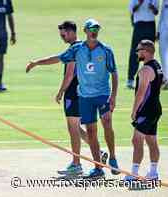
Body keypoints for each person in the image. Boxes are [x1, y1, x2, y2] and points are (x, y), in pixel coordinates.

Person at [26, 21, 108, 176]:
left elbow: (69, 73)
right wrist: (36, 63)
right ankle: (99, 153)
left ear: (71, 32)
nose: (62, 38)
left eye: (63, 35)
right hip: (84, 92)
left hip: (73, 93)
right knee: (77, 128)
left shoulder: (75, 49)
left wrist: (60, 92)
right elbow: (57, 58)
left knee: (73, 130)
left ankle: (76, 164)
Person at [58, 19, 120, 178]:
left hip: (102, 95)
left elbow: (114, 73)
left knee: (107, 123)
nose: (94, 31)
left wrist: (113, 96)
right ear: (85, 31)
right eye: (91, 29)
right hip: (85, 97)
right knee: (91, 131)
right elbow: (58, 58)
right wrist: (37, 63)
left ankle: (112, 157)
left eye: (96, 29)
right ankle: (98, 167)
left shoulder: (106, 50)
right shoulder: (77, 49)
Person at [124, 40, 163, 181]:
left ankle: (134, 174)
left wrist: (134, 110)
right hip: (155, 108)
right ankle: (153, 173)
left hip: (146, 110)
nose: (137, 52)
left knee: (136, 140)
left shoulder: (145, 70)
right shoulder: (157, 66)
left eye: (139, 50)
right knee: (151, 140)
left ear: (146, 51)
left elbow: (141, 92)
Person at [127, 0, 159, 89]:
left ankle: (150, 77)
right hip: (139, 25)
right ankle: (130, 79)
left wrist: (151, 7)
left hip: (150, 25)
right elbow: (132, 10)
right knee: (136, 51)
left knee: (150, 52)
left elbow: (156, 12)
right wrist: (140, 3)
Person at [158, 0, 168, 89]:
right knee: (162, 53)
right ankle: (165, 78)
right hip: (163, 29)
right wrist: (158, 30)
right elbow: (161, 15)